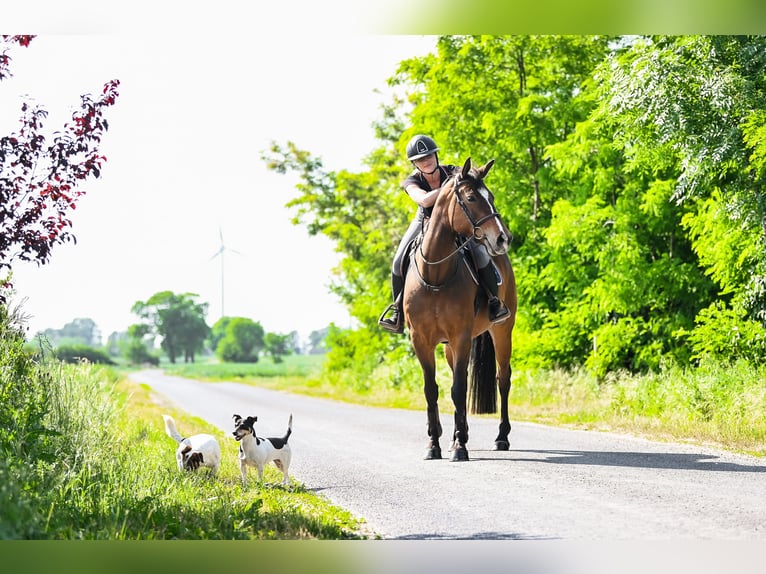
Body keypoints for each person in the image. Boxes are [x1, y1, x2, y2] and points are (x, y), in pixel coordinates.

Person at [378, 134, 511, 334]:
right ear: (415, 163)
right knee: (398, 260)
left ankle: (494, 301)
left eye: (430, 155)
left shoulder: (452, 171)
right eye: (421, 159)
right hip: (424, 222)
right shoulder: (411, 181)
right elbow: (423, 201)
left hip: (455, 223)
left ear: (436, 156)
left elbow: (473, 186)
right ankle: (398, 312)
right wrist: (450, 188)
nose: (427, 160)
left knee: (482, 254)